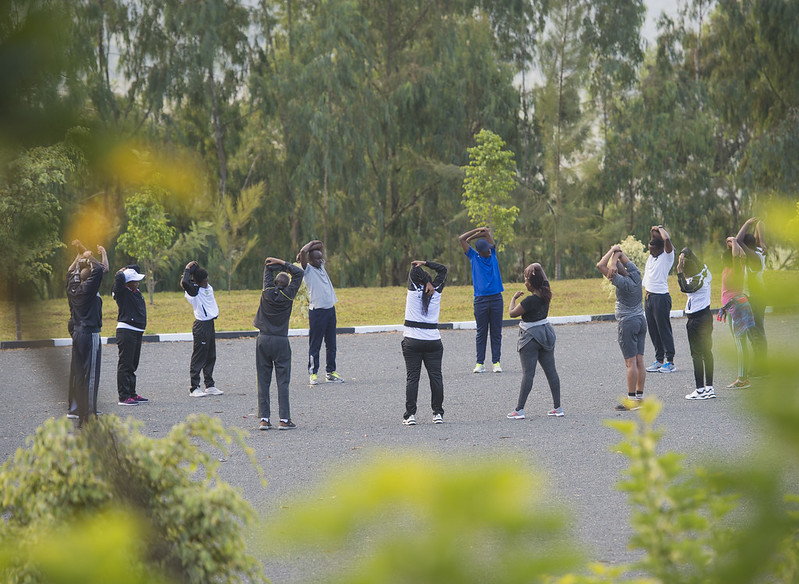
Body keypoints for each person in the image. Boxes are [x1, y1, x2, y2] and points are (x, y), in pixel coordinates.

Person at [506, 263, 563, 420]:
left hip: (530, 337)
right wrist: (535, 266)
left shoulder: (529, 301)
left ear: (531, 284)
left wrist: (513, 298)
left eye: (526, 279)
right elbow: (542, 274)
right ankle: (558, 407)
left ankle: (519, 410)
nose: (525, 281)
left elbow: (512, 314)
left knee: (528, 373)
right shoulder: (546, 292)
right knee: (551, 371)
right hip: (546, 333)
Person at [254, 257, 304, 430]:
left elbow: (267, 269)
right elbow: (299, 273)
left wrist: (272, 265)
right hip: (281, 340)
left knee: (263, 380)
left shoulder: (266, 291)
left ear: (274, 282)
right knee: (283, 381)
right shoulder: (288, 295)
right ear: (288, 284)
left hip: (263, 339)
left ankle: (264, 419)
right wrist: (283, 264)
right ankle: (284, 419)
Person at [597, 244, 647, 411]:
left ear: (615, 272)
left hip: (628, 323)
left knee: (630, 362)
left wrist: (612, 252)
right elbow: (624, 258)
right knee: (640, 360)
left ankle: (631, 399)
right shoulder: (636, 275)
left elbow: (599, 266)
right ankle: (639, 397)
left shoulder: (622, 282)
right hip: (641, 320)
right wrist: (617, 255)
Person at [401, 260, 448, 426]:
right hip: (433, 341)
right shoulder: (436, 292)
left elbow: (414, 269)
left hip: (412, 340)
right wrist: (428, 265)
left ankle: (410, 415)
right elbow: (443, 270)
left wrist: (424, 277)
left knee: (412, 378)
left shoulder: (413, 290)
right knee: (436, 377)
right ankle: (438, 413)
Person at [66, 244, 108, 424]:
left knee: (78, 373)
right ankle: (89, 415)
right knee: (90, 376)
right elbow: (99, 269)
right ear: (90, 280)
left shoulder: (73, 287)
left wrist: (80, 256)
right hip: (90, 333)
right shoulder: (89, 290)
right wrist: (89, 256)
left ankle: (78, 410)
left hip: (77, 332)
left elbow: (71, 272)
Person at [297, 240, 344, 385]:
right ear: (309, 260)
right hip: (317, 312)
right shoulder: (307, 270)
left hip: (330, 310)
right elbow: (304, 252)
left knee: (331, 344)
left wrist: (315, 245)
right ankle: (313, 373)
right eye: (316, 258)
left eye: (320, 258)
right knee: (315, 344)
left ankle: (330, 372)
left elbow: (321, 245)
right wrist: (310, 244)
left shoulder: (321, 266)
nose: (320, 260)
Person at [458, 227, 504, 373]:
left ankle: (496, 362)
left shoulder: (493, 254)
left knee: (496, 332)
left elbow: (486, 232)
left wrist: (482, 231)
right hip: (481, 300)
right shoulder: (473, 257)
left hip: (497, 298)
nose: (489, 251)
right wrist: (473, 234)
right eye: (486, 250)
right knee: (481, 332)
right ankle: (480, 363)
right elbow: (461, 239)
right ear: (479, 251)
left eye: (490, 248)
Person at [677, 248, 715, 400]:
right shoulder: (705, 273)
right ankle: (710, 388)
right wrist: (685, 254)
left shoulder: (693, 283)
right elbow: (691, 252)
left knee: (697, 355)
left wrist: (679, 270)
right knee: (707, 352)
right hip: (707, 317)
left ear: (687, 274)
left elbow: (684, 288)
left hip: (695, 321)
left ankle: (700, 390)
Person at [181, 261, 223, 397]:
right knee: (199, 357)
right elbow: (185, 283)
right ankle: (194, 387)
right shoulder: (194, 292)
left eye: (207, 280)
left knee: (211, 356)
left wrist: (195, 267)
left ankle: (209, 385)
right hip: (201, 326)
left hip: (210, 324)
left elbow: (197, 276)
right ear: (198, 282)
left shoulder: (207, 288)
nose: (207, 282)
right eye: (204, 281)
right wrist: (187, 270)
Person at [718, 237, 755, 389]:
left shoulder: (737, 269)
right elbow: (739, 255)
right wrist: (732, 243)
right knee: (741, 342)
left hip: (738, 307)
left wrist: (734, 240)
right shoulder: (728, 269)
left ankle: (742, 379)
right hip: (735, 307)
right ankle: (743, 376)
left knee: (740, 344)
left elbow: (737, 256)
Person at [112, 263, 148, 406]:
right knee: (125, 365)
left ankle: (132, 393)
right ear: (127, 282)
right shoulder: (121, 292)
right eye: (134, 281)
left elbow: (137, 267)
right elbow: (119, 278)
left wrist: (127, 267)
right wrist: (121, 271)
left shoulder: (135, 291)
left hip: (137, 331)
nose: (137, 283)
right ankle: (124, 396)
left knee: (133, 365)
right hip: (126, 331)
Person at [642, 225, 676, 373]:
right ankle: (659, 359)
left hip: (661, 298)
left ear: (660, 248)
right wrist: (653, 230)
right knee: (653, 330)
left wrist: (660, 228)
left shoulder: (667, 256)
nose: (649, 251)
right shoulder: (653, 256)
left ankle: (670, 361)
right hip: (649, 297)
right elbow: (655, 238)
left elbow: (666, 239)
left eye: (652, 248)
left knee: (664, 330)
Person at [736, 217, 767, 374]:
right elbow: (761, 223)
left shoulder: (754, 257)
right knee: (754, 333)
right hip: (752, 297)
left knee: (757, 333)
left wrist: (747, 223)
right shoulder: (758, 251)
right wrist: (760, 237)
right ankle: (759, 366)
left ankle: (761, 368)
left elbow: (737, 241)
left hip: (756, 298)